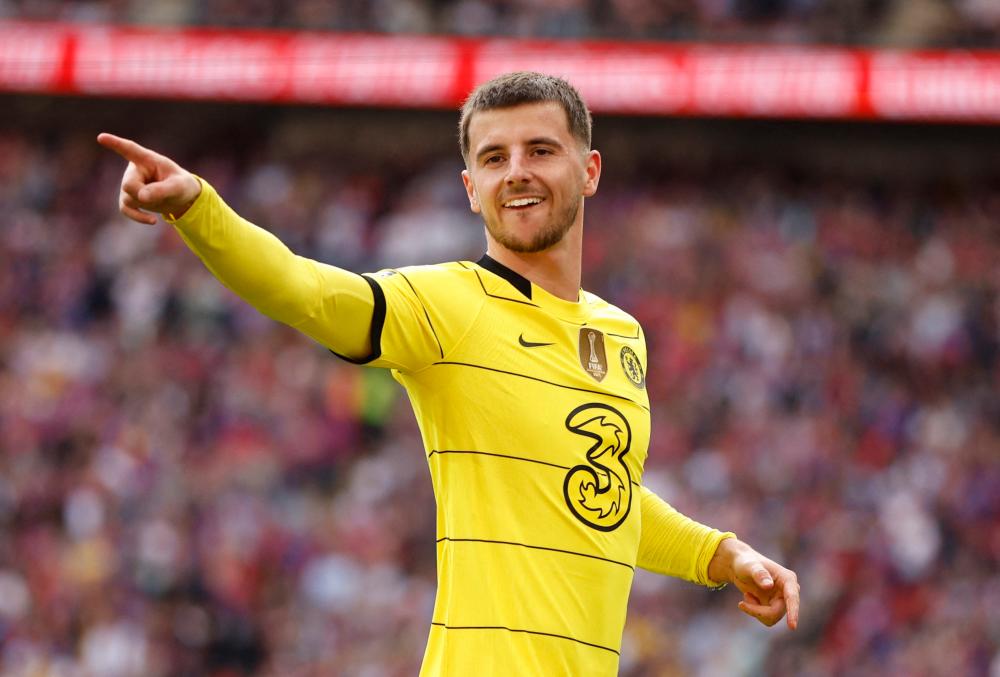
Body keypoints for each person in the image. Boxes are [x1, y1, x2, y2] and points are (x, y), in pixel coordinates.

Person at [99, 71, 800, 676]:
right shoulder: (444, 305)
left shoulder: (620, 335)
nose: (516, 171)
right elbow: (302, 290)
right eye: (494, 157)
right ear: (472, 188)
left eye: (540, 150)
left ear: (588, 170)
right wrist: (197, 207)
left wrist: (722, 553)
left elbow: (599, 494)